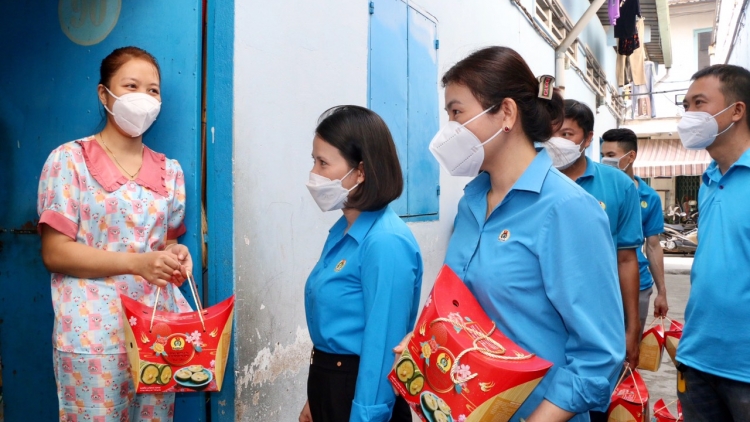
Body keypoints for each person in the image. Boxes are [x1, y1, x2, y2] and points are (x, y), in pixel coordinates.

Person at [399, 46, 625, 421]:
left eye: (457, 113)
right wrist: (425, 339)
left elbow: (600, 355)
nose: (448, 130)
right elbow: (464, 309)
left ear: (505, 113)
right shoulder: (471, 203)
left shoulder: (566, 209)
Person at [38, 47, 193, 421]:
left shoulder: (169, 172)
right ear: (104, 94)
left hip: (156, 333)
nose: (144, 97)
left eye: (153, 90)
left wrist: (176, 257)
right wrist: (137, 263)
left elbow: (167, 243)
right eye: (131, 85)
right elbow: (55, 253)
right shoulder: (69, 161)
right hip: (93, 335)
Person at [299, 106, 423, 422]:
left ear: (361, 172)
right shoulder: (344, 231)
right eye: (314, 160)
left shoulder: (385, 242)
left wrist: (366, 415)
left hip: (361, 395)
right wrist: (316, 397)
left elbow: (382, 349)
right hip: (331, 384)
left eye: (323, 163)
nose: (314, 173)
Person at [675, 64, 750, 420]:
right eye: (685, 105)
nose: (688, 115)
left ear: (737, 110)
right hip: (698, 358)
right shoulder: (708, 179)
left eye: (699, 103)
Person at [548, 100, 643, 375]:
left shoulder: (618, 185)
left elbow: (626, 259)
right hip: (546, 317)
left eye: (566, 134)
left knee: (595, 397)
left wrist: (632, 326)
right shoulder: (532, 182)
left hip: (600, 315)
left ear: (588, 139)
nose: (556, 142)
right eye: (550, 133)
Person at [600, 128, 668, 334]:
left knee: (631, 348)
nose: (605, 160)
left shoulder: (649, 197)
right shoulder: (595, 189)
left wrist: (662, 292)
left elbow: (653, 246)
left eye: (611, 156)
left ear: (630, 156)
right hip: (600, 283)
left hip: (637, 285)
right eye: (602, 155)